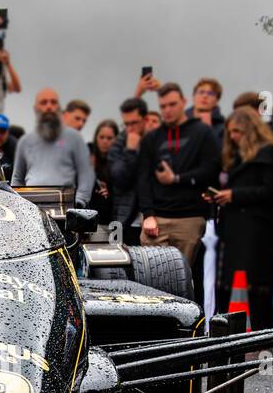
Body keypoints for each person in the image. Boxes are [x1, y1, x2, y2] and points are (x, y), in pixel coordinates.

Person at [206, 107, 273, 330]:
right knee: (228, 287)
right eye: (231, 132)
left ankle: (264, 336)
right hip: (236, 229)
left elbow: (269, 191)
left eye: (238, 131)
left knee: (258, 290)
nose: (233, 136)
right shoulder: (237, 157)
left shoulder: (266, 153)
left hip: (257, 230)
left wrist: (234, 195)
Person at [136, 82, 221, 263]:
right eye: (163, 106)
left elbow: (211, 170)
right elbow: (143, 178)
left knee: (183, 282)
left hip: (190, 219)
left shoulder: (203, 133)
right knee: (153, 282)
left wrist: (177, 179)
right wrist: (148, 215)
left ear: (184, 102)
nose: (167, 110)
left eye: (172, 104)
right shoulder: (152, 138)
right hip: (157, 219)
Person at [11, 87, 94, 206]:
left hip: (64, 205)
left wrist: (79, 202)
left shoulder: (75, 138)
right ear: (36, 109)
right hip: (33, 207)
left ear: (59, 108)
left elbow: (86, 174)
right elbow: (17, 178)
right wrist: (18, 205)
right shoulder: (24, 142)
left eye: (53, 102)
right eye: (44, 102)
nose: (49, 106)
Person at [109, 96, 147, 242]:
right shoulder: (119, 143)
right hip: (123, 220)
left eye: (134, 123)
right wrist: (130, 150)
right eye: (126, 124)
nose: (130, 128)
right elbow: (119, 178)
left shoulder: (155, 140)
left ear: (145, 120)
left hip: (150, 220)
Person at [89, 118, 117, 225]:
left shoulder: (119, 161)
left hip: (111, 218)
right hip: (88, 217)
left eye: (109, 138)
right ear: (96, 138)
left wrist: (110, 194)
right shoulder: (88, 155)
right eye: (101, 137)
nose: (105, 141)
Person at [187, 77, 226, 148]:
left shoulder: (223, 128)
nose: (205, 96)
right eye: (201, 92)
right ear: (193, 97)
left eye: (210, 93)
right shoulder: (181, 122)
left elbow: (222, 153)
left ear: (217, 100)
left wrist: (209, 131)